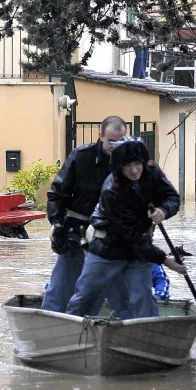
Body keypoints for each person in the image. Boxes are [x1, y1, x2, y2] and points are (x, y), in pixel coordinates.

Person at [66, 138, 187, 319]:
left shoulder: (152, 171)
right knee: (86, 294)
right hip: (106, 247)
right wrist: (165, 260)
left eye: (138, 164)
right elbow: (130, 237)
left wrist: (164, 210)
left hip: (140, 248)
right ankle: (70, 328)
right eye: (128, 165)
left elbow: (172, 198)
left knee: (142, 297)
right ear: (118, 166)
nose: (134, 170)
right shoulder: (112, 190)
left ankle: (147, 335)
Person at [41, 116, 128, 314]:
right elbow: (57, 194)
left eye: (121, 141)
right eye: (111, 141)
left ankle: (106, 329)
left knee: (106, 293)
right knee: (60, 289)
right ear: (101, 136)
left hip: (109, 240)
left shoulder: (128, 164)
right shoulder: (81, 157)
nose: (115, 146)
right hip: (76, 234)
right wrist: (56, 224)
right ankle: (49, 324)